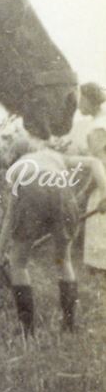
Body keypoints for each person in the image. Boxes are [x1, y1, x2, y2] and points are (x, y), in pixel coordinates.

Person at [0, 147, 106, 335]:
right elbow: (95, 162)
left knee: (18, 263)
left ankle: (27, 331)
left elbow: (9, 218)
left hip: (30, 186)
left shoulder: (17, 169)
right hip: (61, 187)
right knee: (64, 260)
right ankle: (69, 326)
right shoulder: (58, 157)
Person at [71, 82, 106, 271]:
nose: (78, 105)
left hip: (103, 189)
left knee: (100, 262)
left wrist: (86, 193)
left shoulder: (97, 128)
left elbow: (100, 165)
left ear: (90, 101)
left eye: (81, 100)